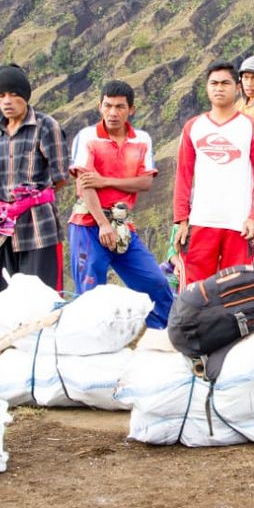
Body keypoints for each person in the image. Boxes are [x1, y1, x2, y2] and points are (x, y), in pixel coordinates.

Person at [67, 80, 173, 329]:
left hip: (122, 225)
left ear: (131, 110)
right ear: (99, 106)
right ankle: (91, 339)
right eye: (108, 106)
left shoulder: (142, 140)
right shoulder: (88, 137)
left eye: (119, 107)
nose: (112, 113)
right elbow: (86, 184)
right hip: (88, 225)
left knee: (155, 281)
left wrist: (105, 180)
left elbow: (145, 182)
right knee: (91, 289)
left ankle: (157, 330)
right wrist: (103, 224)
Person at [0, 64, 68, 299]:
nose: (7, 101)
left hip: (38, 229)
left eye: (14, 94)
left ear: (25, 96)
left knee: (43, 299)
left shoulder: (46, 127)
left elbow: (61, 177)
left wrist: (29, 200)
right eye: (1, 95)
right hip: (2, 230)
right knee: (1, 300)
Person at [173, 60, 254, 284]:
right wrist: (181, 220)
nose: (219, 88)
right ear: (207, 88)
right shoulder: (193, 127)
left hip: (238, 225)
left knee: (237, 288)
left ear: (237, 88)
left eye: (225, 83)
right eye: (214, 83)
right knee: (195, 291)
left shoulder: (251, 127)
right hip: (201, 221)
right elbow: (183, 176)